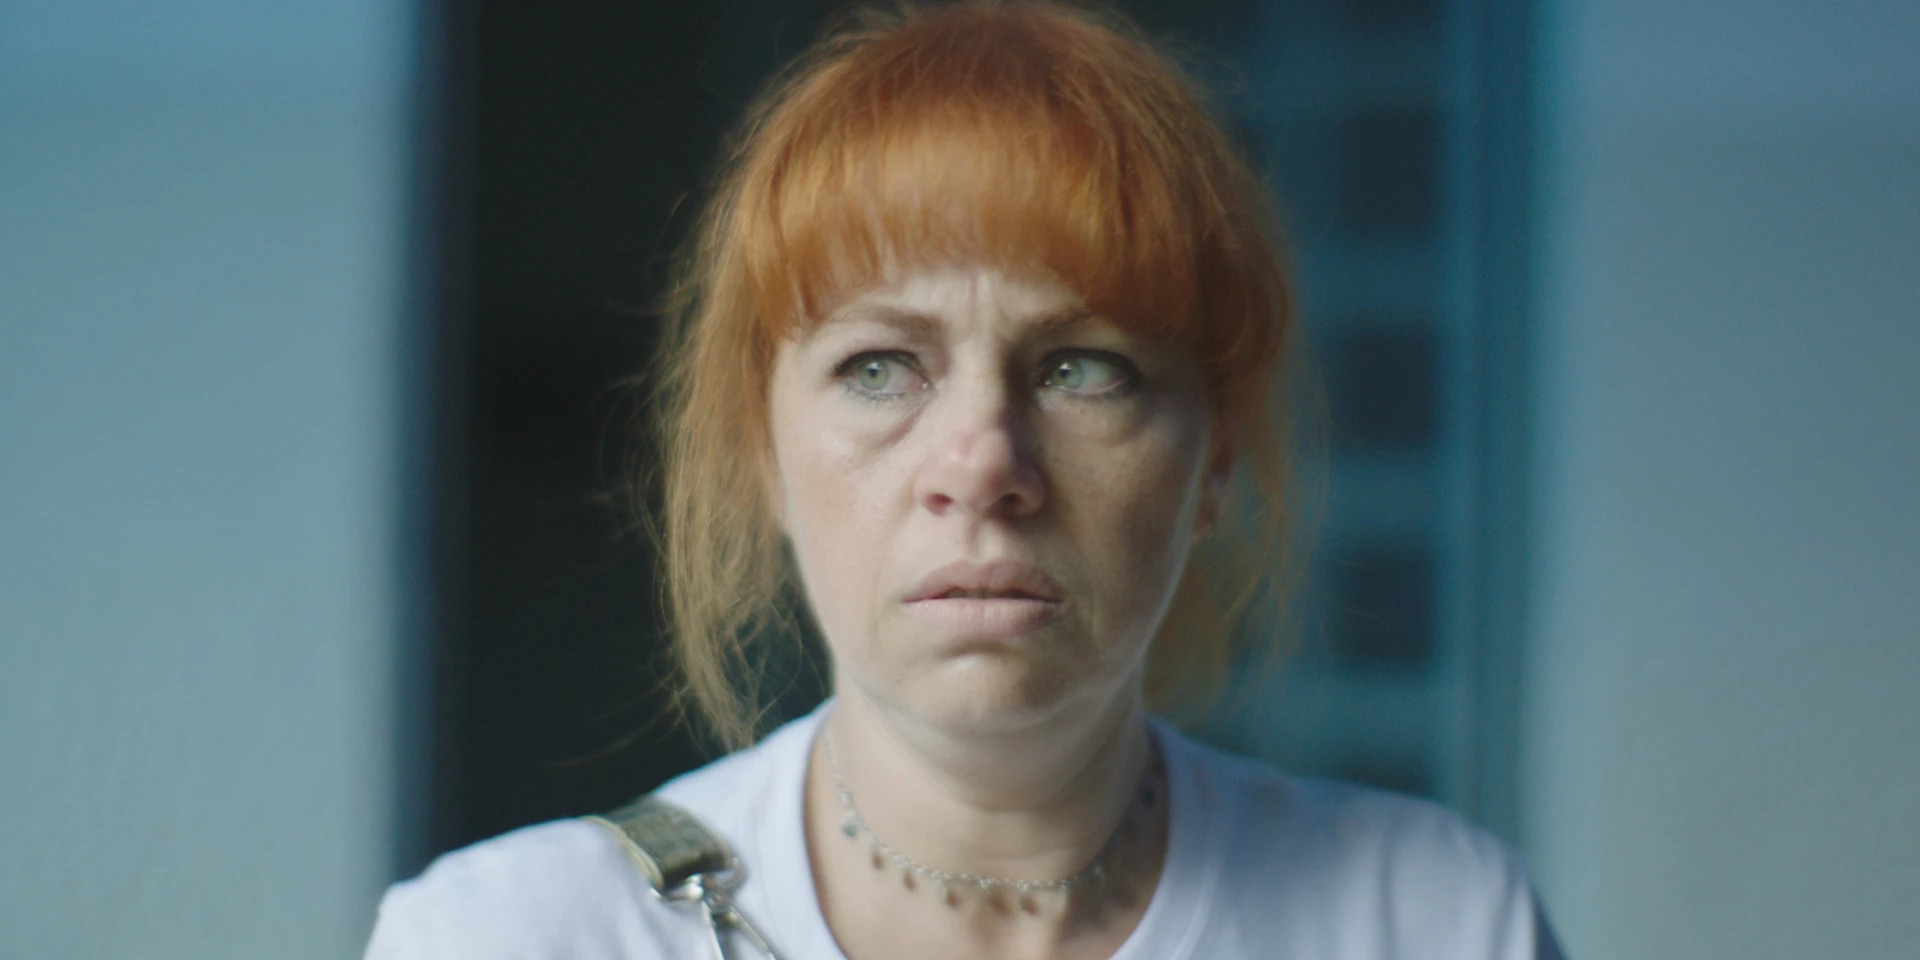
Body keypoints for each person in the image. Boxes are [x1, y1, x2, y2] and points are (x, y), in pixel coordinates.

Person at [365, 2, 1564, 957]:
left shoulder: (1439, 922)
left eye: (1081, 368)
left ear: (1215, 460)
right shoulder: (505, 939)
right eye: (879, 368)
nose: (983, 464)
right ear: (764, 456)